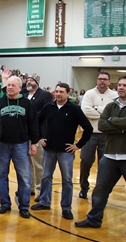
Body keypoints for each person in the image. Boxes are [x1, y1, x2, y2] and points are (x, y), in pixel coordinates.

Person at [75, 75, 126, 242]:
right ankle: (94, 219)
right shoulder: (111, 105)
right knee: (100, 191)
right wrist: (121, 126)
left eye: (125, 85)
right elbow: (102, 125)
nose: (121, 87)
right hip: (110, 156)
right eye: (119, 85)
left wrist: (113, 123)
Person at [30, 83, 93, 220]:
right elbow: (37, 121)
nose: (58, 94)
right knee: (46, 177)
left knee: (67, 180)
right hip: (49, 150)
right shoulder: (49, 107)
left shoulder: (74, 109)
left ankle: (66, 207)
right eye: (56, 91)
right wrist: (40, 138)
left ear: (68, 93)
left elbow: (88, 128)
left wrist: (78, 145)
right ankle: (44, 202)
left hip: (66, 151)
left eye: (61, 92)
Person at [0, 74, 39, 218]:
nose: (10, 87)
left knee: (24, 177)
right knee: (1, 175)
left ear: (20, 88)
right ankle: (5, 203)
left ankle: (24, 206)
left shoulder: (27, 104)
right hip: (2, 145)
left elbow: (33, 124)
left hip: (21, 144)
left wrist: (34, 143)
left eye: (13, 85)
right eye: (8, 85)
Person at [79, 71, 118, 199]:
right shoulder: (89, 94)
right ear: (97, 80)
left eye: (105, 79)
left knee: (105, 164)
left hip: (108, 135)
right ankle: (84, 188)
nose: (102, 81)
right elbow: (86, 111)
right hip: (90, 134)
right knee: (85, 161)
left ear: (109, 81)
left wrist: (96, 108)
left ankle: (102, 191)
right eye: (100, 79)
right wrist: (105, 114)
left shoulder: (115, 95)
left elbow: (116, 114)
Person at [22, 74, 53, 199]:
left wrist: (29, 115)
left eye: (31, 80)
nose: (29, 82)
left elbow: (47, 112)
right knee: (26, 163)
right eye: (27, 80)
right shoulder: (23, 94)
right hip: (24, 134)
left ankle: (41, 190)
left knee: (39, 164)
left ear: (37, 82)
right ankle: (29, 187)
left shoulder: (45, 95)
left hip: (38, 134)